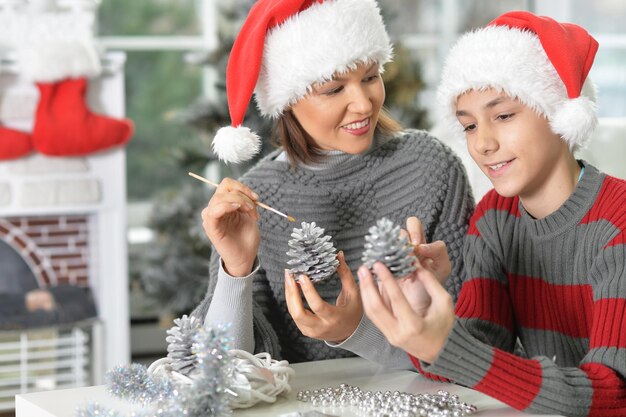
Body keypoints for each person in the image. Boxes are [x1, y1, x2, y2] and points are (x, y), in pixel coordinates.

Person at [359, 11, 626, 416]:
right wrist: (424, 313)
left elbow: (612, 396)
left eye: (502, 116)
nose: (482, 143)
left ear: (560, 111)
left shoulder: (617, 224)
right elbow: (475, 352)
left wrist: (444, 345)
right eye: (468, 126)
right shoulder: (495, 217)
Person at [190, 0, 474, 368]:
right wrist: (236, 268)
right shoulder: (256, 199)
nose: (363, 104)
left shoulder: (430, 166)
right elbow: (223, 372)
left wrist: (355, 330)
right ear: (288, 101)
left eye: (370, 77)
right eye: (334, 89)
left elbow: (472, 345)